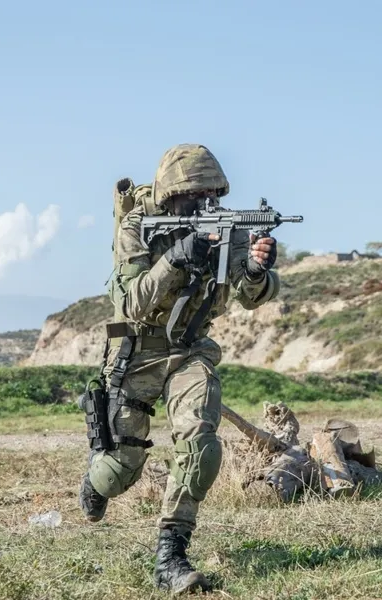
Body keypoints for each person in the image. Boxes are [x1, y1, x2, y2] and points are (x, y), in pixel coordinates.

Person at [78, 143, 281, 593]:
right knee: (120, 469)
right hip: (137, 352)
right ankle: (96, 484)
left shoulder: (227, 227)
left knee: (200, 441)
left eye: (213, 196)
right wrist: (175, 258)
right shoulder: (136, 227)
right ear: (172, 194)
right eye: (195, 195)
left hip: (190, 350)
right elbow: (131, 301)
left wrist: (255, 269)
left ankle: (171, 553)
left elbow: (252, 298)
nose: (206, 205)